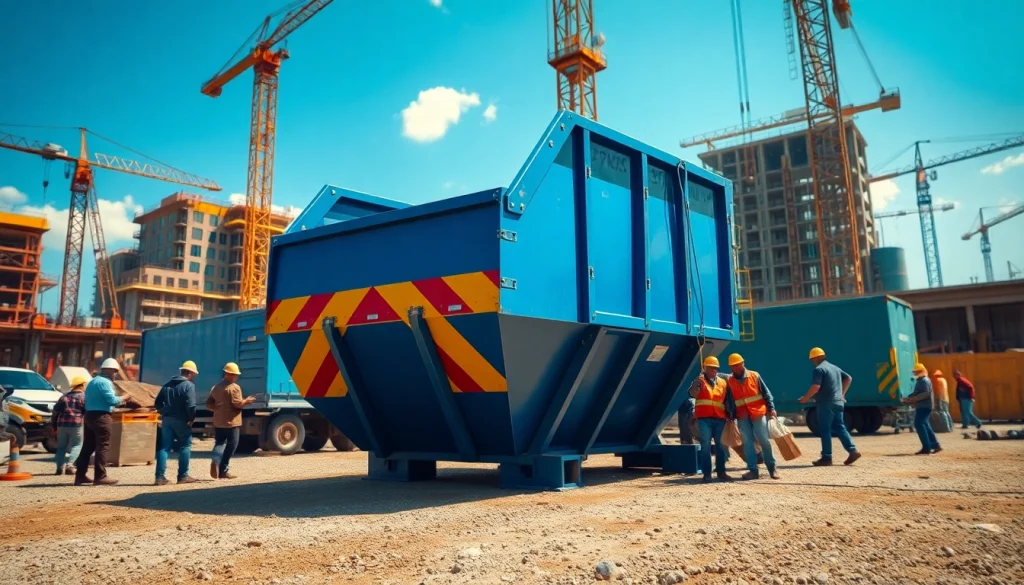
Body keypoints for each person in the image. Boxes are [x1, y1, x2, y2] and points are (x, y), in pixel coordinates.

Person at [798, 347, 861, 466]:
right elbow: (849, 378)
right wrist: (842, 394)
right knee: (840, 427)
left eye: (812, 359)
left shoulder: (819, 369)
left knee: (825, 429)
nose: (812, 362)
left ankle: (827, 457)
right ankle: (852, 450)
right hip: (838, 402)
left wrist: (806, 398)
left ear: (816, 358)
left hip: (826, 403)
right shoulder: (835, 368)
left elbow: (816, 387)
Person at [76, 359, 135, 486]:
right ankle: (100, 476)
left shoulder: (92, 382)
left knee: (87, 447)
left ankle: (80, 476)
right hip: (101, 417)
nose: (116, 374)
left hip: (89, 415)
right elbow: (112, 400)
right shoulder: (105, 383)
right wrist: (125, 397)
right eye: (115, 371)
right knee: (103, 446)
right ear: (109, 370)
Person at [725, 353, 780, 480]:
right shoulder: (730, 381)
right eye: (733, 366)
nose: (736, 368)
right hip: (742, 415)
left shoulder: (754, 376)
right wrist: (731, 415)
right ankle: (753, 470)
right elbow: (730, 400)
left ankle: (772, 468)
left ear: (743, 363)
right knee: (747, 443)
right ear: (730, 367)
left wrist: (771, 409)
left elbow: (766, 393)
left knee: (764, 440)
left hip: (757, 413)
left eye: (738, 365)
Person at [689, 355, 735, 483]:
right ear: (705, 368)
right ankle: (707, 474)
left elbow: (727, 400)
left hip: (720, 418)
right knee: (705, 446)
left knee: (721, 446)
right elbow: (693, 394)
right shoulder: (699, 381)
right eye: (712, 368)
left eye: (716, 368)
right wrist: (695, 385)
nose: (714, 370)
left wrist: (730, 414)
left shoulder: (722, 382)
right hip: (704, 419)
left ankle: (721, 472)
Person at [206, 362, 254, 479]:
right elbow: (237, 404)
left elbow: (209, 404)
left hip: (219, 421)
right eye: (235, 374)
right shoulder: (234, 388)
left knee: (219, 443)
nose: (236, 377)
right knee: (232, 445)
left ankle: (215, 460)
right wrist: (246, 401)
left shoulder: (215, 387)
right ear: (230, 374)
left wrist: (218, 409)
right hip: (232, 422)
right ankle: (223, 470)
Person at [154, 360, 199, 485]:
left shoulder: (167, 385)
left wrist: (164, 412)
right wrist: (191, 419)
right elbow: (191, 406)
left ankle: (159, 477)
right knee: (185, 446)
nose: (194, 376)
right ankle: (183, 476)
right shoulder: (189, 386)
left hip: (167, 420)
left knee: (164, 447)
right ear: (189, 373)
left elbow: (157, 403)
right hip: (182, 420)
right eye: (194, 374)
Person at [51, 375, 88, 476]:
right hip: (77, 424)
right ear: (82, 385)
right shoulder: (84, 397)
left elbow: (55, 412)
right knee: (77, 445)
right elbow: (87, 412)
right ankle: (70, 465)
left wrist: (54, 426)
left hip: (62, 425)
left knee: (61, 447)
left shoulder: (64, 397)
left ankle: (59, 468)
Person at [902, 363, 941, 455]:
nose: (915, 373)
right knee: (925, 425)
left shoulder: (924, 381)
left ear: (922, 371)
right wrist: (909, 397)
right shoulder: (921, 380)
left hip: (924, 406)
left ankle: (926, 447)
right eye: (915, 372)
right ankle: (935, 445)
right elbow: (918, 392)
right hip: (923, 405)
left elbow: (925, 393)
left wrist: (913, 399)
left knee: (919, 424)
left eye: (917, 372)